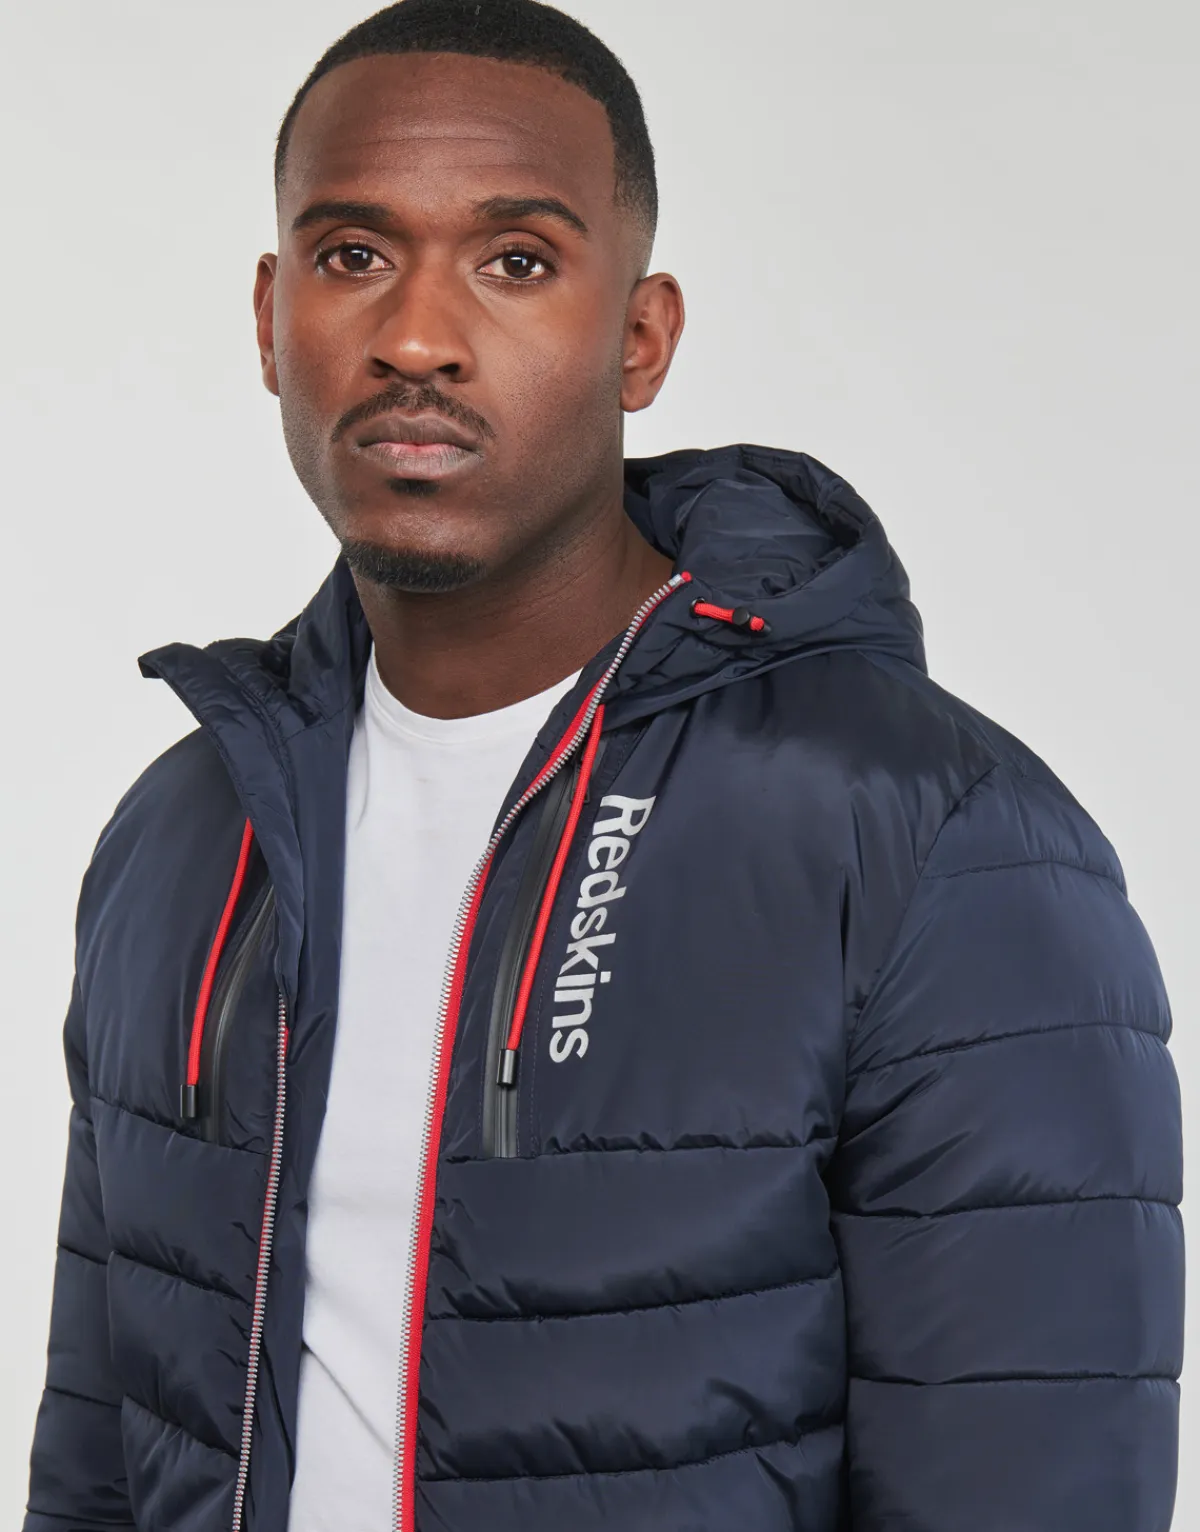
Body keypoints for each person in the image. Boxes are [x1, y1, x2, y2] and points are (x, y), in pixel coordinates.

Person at [23, 1, 1184, 1529]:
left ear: (640, 339)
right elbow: (98, 1464)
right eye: (353, 254)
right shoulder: (185, 839)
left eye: (515, 261)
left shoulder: (931, 841)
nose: (417, 336)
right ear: (269, 316)